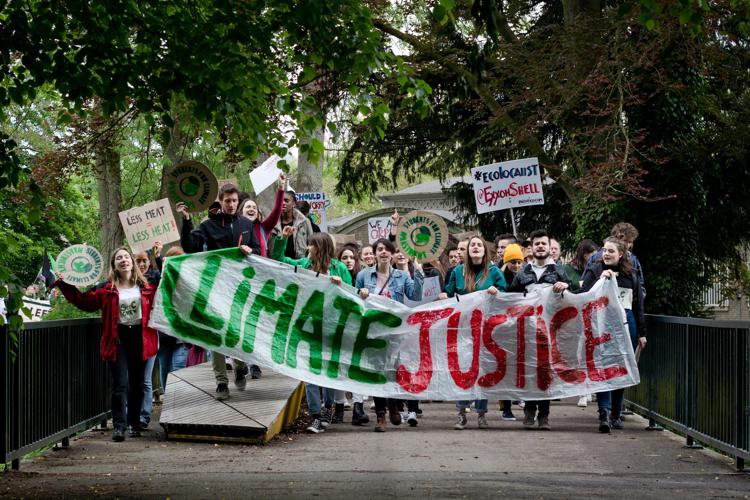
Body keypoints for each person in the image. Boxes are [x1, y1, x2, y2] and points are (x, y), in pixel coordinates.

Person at [53, 247, 158, 442]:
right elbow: (84, 302)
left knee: (136, 383)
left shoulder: (146, 288)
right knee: (120, 384)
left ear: (132, 262)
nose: (123, 260)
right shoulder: (107, 290)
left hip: (140, 338)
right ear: (114, 265)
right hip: (117, 339)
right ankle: (119, 426)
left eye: (126, 257)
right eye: (119, 258)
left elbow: (166, 298)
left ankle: (135, 423)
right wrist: (64, 284)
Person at [177, 182, 261, 401]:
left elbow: (259, 251)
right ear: (221, 202)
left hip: (240, 288)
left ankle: (240, 364)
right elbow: (190, 247)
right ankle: (221, 382)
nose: (232, 205)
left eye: (235, 201)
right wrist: (186, 220)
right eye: (227, 201)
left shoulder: (246, 224)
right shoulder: (208, 225)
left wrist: (250, 250)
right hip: (215, 287)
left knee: (237, 332)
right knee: (215, 334)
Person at [272, 228, 351, 434]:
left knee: (328, 371)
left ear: (320, 248)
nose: (308, 248)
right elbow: (279, 259)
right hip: (307, 326)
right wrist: (284, 238)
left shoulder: (339, 268)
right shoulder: (304, 265)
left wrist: (340, 284)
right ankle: (316, 415)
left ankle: (328, 408)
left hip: (331, 328)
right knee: (308, 372)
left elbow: (351, 295)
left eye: (311, 245)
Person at [356, 238, 424, 432]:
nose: (383, 252)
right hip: (373, 331)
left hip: (395, 332)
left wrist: (417, 271)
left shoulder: (401, 276)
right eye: (379, 249)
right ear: (375, 254)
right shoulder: (364, 275)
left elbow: (415, 295)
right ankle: (380, 416)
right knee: (377, 372)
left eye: (387, 249)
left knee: (394, 371)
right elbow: (355, 299)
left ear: (393, 254)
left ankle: (394, 403)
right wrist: (359, 293)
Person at [438, 236, 506, 430]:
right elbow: (449, 294)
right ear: (467, 251)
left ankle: (482, 414)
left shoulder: (493, 272)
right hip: (462, 329)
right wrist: (444, 295)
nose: (475, 248)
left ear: (485, 251)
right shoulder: (457, 272)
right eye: (472, 245)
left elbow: (506, 295)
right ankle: (461, 413)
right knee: (463, 370)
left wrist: (497, 291)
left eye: (479, 245)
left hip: (486, 330)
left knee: (482, 371)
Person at [581, 237, 647, 433]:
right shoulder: (595, 271)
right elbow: (583, 296)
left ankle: (617, 413)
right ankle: (604, 412)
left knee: (621, 368)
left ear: (621, 254)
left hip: (628, 325)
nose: (606, 254)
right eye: (604, 250)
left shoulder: (632, 275)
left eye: (611, 251)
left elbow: (638, 306)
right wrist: (601, 280)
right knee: (604, 367)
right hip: (602, 326)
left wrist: (642, 333)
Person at [508, 229, 572, 430]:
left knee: (546, 372)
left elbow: (575, 296)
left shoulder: (560, 271)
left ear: (549, 248)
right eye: (537, 244)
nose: (541, 247)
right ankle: (529, 410)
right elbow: (511, 296)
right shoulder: (523, 272)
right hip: (527, 330)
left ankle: (544, 415)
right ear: (531, 248)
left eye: (544, 243)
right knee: (528, 370)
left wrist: (566, 287)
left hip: (551, 331)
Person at [336, 243, 370, 426]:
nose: (348, 261)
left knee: (356, 366)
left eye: (351, 257)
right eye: (344, 258)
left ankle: (358, 407)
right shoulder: (336, 276)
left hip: (358, 327)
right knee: (340, 365)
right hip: (340, 325)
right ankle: (339, 407)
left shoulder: (363, 277)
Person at [133, 244, 162, 431]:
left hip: (149, 336)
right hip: (129, 337)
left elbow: (167, 276)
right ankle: (131, 416)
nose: (142, 264)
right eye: (138, 261)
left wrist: (159, 256)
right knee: (130, 379)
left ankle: (143, 417)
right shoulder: (124, 281)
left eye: (144, 261)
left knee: (145, 379)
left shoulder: (154, 279)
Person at [155, 246, 190, 392]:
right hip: (164, 335)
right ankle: (168, 403)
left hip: (181, 336)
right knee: (164, 369)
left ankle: (176, 402)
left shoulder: (188, 281)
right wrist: (157, 257)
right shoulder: (160, 280)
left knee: (178, 369)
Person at [498, 242, 525, 421]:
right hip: (503, 328)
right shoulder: (500, 277)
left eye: (518, 262)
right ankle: (506, 407)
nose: (516, 266)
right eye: (512, 262)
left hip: (520, 326)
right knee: (504, 368)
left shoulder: (524, 277)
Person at [237, 173, 286, 258]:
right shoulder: (235, 226)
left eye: (254, 208)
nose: (252, 209)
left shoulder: (263, 228)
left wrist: (281, 189)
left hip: (260, 270)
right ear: (241, 211)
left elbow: (277, 210)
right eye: (248, 207)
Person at [271, 191, 314, 259]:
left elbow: (312, 243)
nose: (283, 203)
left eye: (286, 201)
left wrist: (307, 262)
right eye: (281, 200)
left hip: (298, 264)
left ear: (294, 204)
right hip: (278, 264)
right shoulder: (272, 222)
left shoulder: (304, 221)